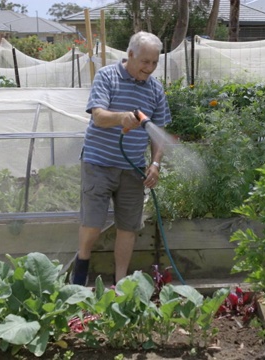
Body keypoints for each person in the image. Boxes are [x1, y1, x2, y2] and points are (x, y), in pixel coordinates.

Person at [72, 31, 172, 286]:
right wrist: (121, 117)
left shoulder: (155, 89)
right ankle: (79, 275)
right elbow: (98, 116)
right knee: (93, 224)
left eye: (154, 63)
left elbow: (158, 133)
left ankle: (120, 284)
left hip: (132, 169)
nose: (149, 68)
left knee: (128, 228)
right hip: (99, 163)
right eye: (145, 62)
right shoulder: (107, 76)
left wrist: (155, 164)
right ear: (130, 55)